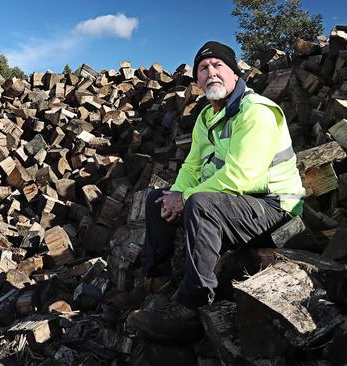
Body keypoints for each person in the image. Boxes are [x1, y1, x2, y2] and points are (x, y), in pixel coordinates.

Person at [127, 41, 305, 342]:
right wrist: (174, 196)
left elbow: (242, 176)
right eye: (203, 69)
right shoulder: (207, 117)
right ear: (197, 80)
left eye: (217, 66)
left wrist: (185, 198)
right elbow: (191, 165)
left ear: (234, 72)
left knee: (199, 203)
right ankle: (157, 285)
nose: (211, 73)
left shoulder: (256, 111)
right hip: (235, 202)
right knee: (156, 198)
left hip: (273, 207)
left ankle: (192, 306)